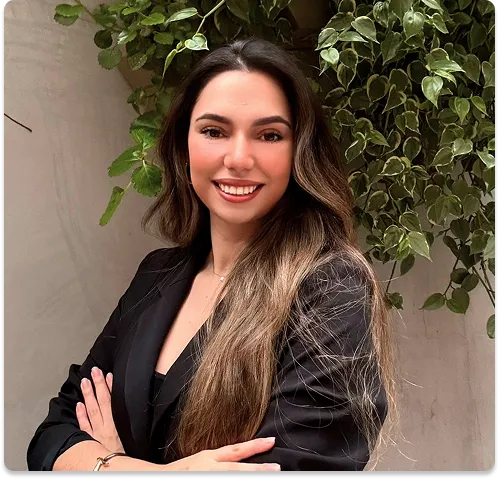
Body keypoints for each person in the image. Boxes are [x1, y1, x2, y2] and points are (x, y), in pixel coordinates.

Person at [27, 36, 395, 472]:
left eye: (269, 135)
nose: (238, 158)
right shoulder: (157, 274)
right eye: (214, 131)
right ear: (183, 145)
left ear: (299, 152)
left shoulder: (331, 289)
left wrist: (107, 459)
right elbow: (53, 436)